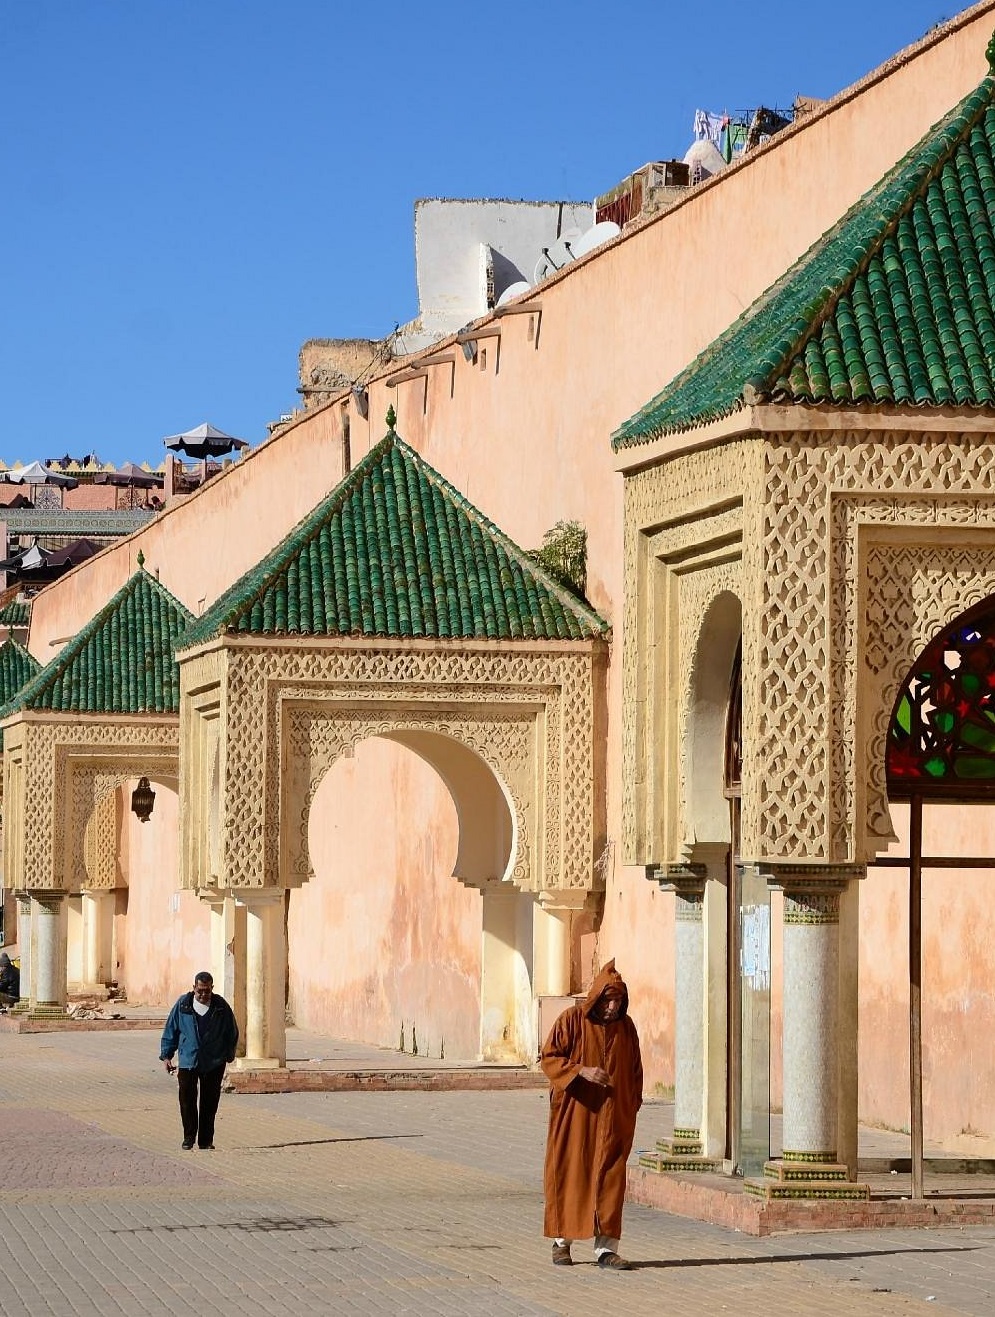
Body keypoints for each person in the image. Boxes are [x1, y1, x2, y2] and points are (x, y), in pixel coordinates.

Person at [540, 959, 643, 1270]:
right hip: (577, 1116)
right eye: (609, 1000)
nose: (613, 1007)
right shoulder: (571, 1021)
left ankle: (606, 1249)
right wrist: (580, 1071)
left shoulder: (626, 1028)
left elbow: (635, 1070)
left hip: (614, 1118)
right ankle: (562, 1242)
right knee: (571, 1173)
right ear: (597, 997)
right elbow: (549, 1058)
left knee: (611, 1179)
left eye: (618, 1001)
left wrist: (630, 1105)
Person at [159, 971, 239, 1150]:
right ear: (194, 988)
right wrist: (166, 1055)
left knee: (209, 1103)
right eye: (200, 991)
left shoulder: (220, 1007)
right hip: (189, 1060)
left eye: (207, 991)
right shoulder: (183, 1005)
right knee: (187, 1101)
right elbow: (171, 1030)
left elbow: (232, 1032)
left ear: (212, 989)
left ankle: (206, 1141)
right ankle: (188, 1137)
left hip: (213, 1061)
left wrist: (228, 1054)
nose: (203, 995)